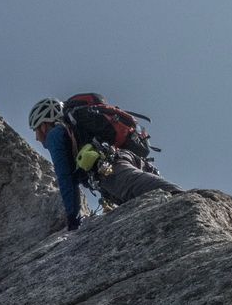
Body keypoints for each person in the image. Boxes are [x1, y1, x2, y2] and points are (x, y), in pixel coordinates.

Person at [28, 95, 182, 231]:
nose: (36, 137)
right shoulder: (74, 130)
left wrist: (73, 220)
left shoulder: (55, 134)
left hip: (112, 169)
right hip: (129, 159)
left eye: (36, 129)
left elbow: (65, 178)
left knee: (163, 193)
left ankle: (184, 196)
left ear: (44, 124)